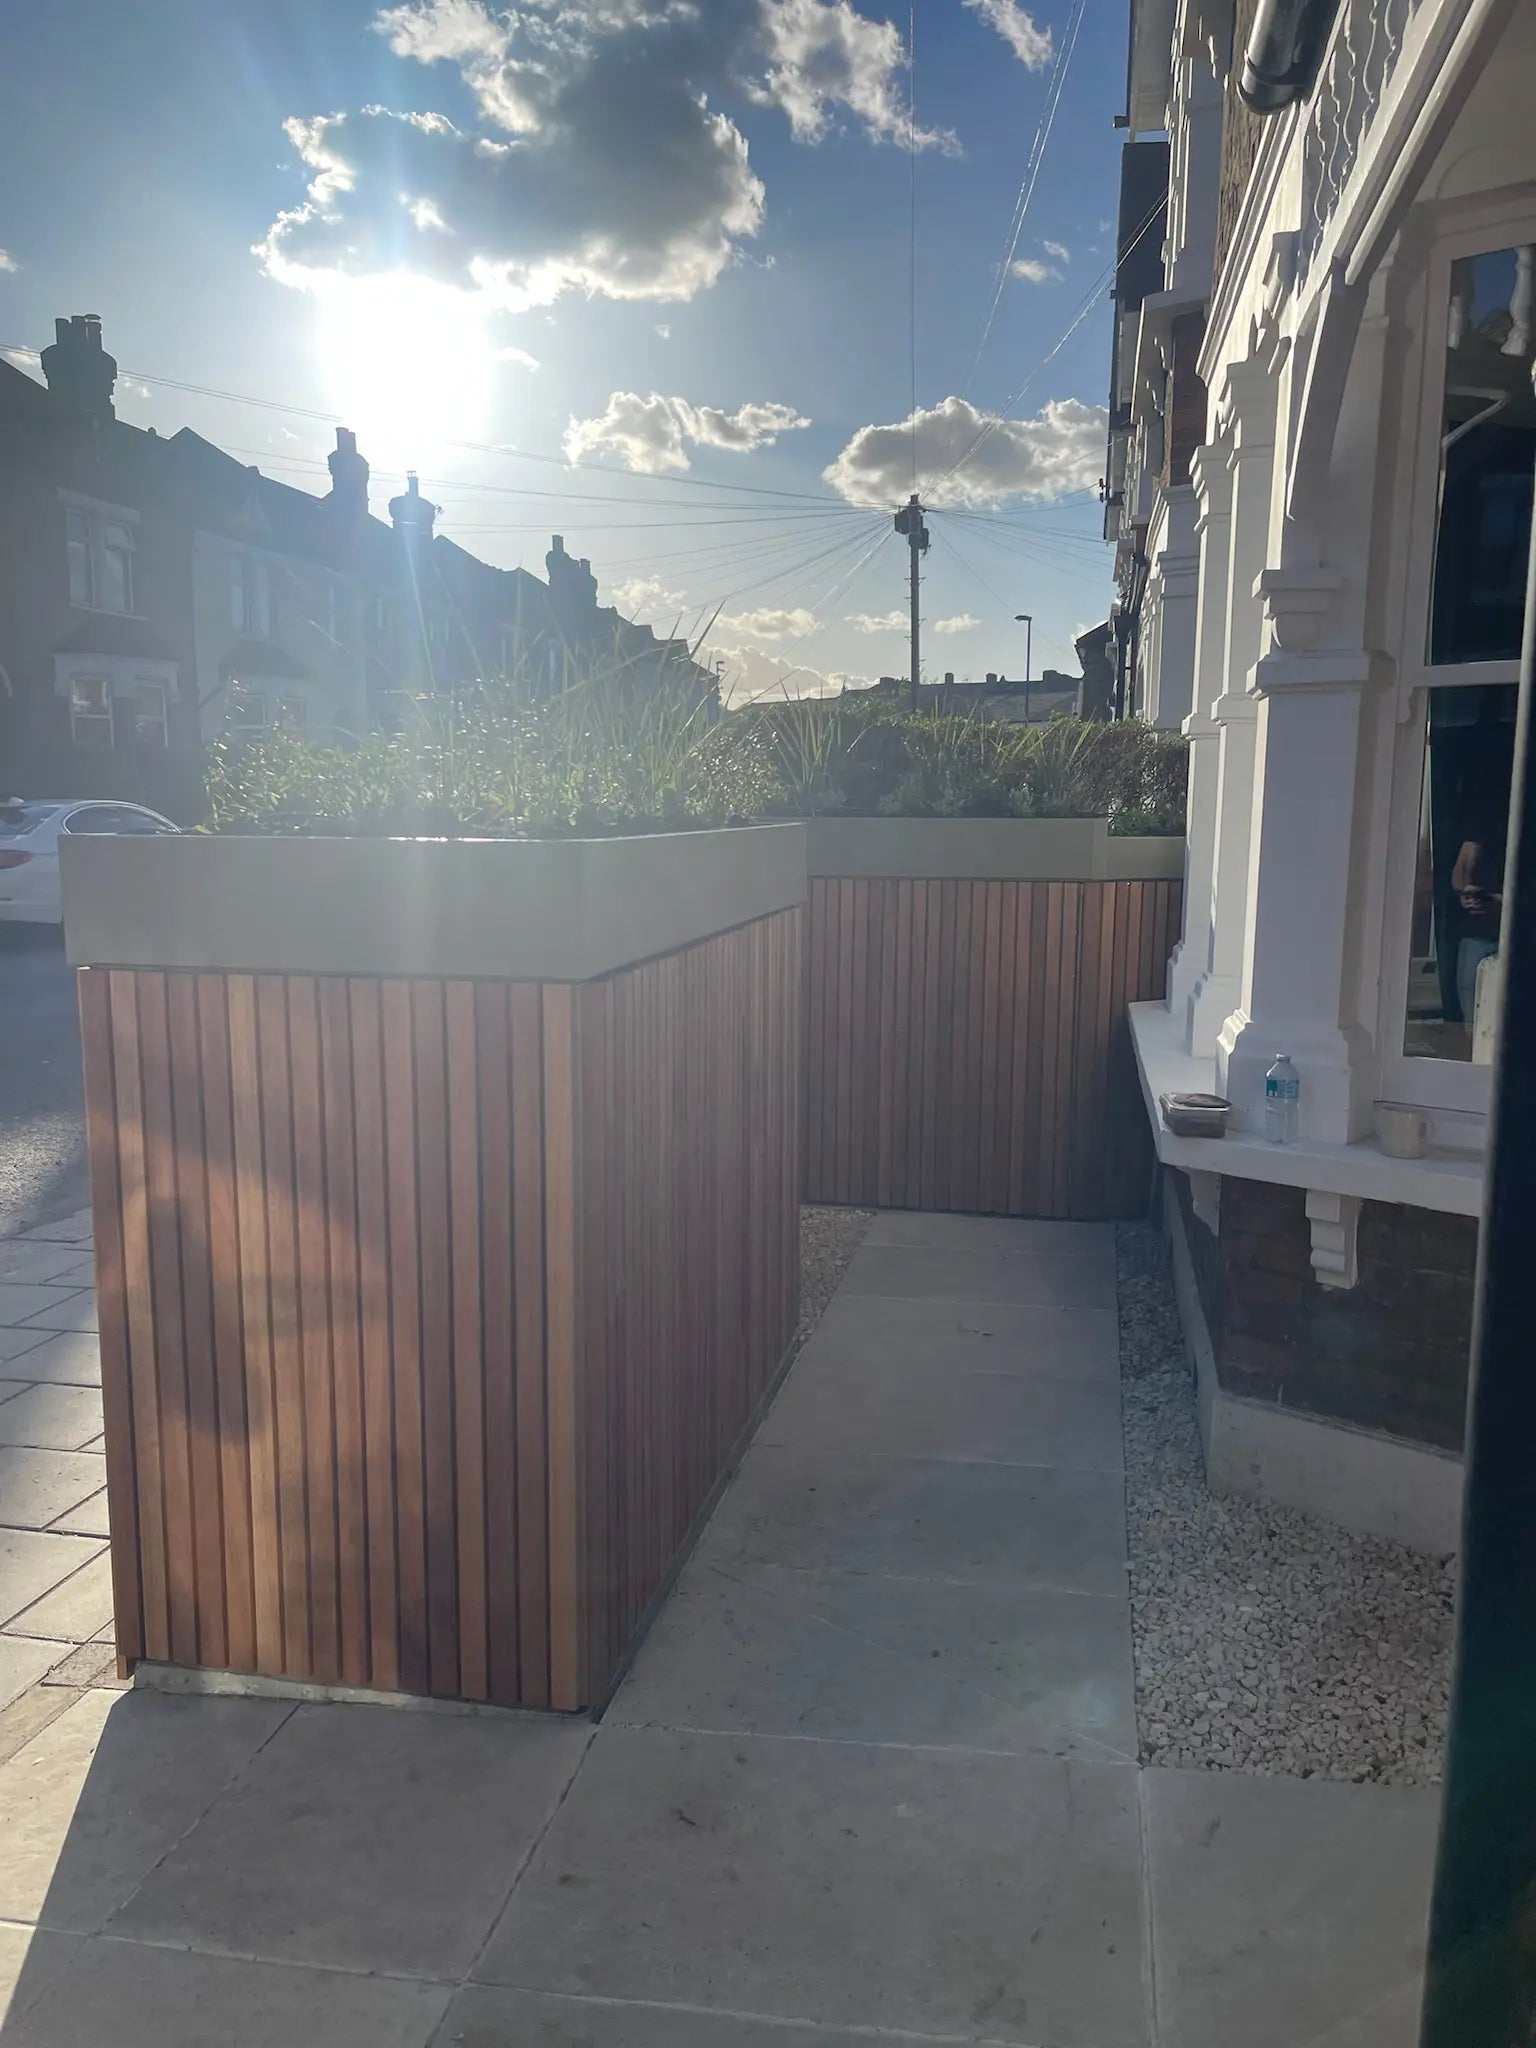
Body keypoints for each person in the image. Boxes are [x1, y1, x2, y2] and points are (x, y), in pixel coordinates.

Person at [1451, 833, 1504, 1030]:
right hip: (1475, 935)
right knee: (1471, 1019)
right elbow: (1458, 873)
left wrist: (1498, 901)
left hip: (1513, 936)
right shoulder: (1480, 824)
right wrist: (1463, 892)